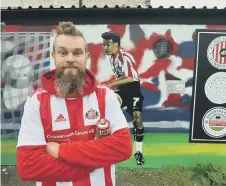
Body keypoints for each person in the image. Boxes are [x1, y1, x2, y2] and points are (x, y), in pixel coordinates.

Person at [16, 22, 132, 186]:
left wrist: (61, 150)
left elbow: (123, 147)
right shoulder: (36, 102)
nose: (70, 59)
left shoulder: (106, 96)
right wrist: (90, 164)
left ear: (87, 57)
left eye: (77, 53)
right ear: (53, 56)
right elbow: (28, 166)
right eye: (63, 52)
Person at [101, 31, 145, 165]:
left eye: (107, 44)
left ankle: (138, 152)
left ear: (116, 44)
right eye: (104, 45)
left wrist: (108, 84)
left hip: (133, 88)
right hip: (122, 89)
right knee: (110, 108)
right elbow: (120, 78)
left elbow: (130, 77)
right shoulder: (112, 58)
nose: (105, 47)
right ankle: (107, 147)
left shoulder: (124, 57)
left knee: (137, 119)